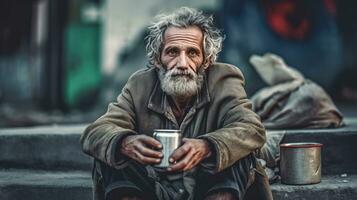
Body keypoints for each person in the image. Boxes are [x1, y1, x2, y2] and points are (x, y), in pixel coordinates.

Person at [80, 7, 273, 200]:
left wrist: (208, 146)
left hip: (205, 186)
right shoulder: (140, 84)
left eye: (192, 53)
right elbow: (95, 132)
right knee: (113, 152)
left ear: (206, 61)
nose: (182, 63)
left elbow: (251, 129)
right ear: (157, 59)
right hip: (154, 185)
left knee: (237, 155)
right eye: (172, 52)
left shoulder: (224, 80)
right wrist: (125, 143)